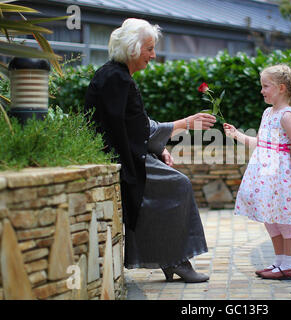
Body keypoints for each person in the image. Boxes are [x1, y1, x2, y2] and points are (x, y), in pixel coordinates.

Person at [84, 18, 216, 283]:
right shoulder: (116, 79)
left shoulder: (117, 76)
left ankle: (171, 260)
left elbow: (134, 128)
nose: (153, 55)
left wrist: (156, 150)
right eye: (149, 49)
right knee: (179, 184)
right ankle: (175, 260)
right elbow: (134, 131)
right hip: (123, 160)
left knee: (175, 183)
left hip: (130, 155)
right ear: (133, 48)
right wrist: (184, 124)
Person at [223, 64, 291, 280]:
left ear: (281, 88)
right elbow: (261, 142)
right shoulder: (268, 113)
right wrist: (237, 135)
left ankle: (289, 265)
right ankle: (278, 263)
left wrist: (277, 155)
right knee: (271, 219)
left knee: (285, 219)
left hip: (278, 176)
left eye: (265, 86)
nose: (262, 90)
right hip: (264, 175)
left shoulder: (287, 116)